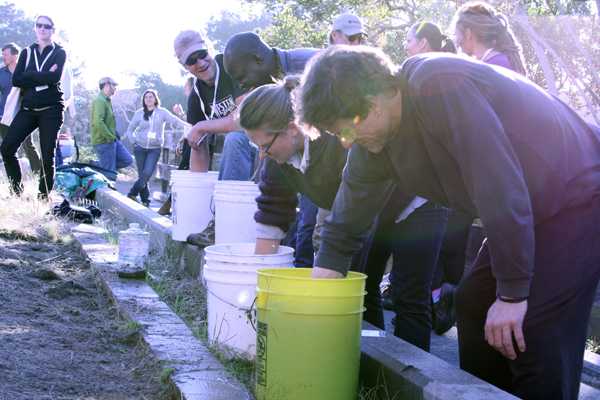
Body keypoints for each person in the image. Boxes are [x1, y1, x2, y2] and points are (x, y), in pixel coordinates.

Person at [299, 45, 600, 400]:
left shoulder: (438, 85)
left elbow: (497, 183)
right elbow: (344, 224)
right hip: (531, 207)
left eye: (343, 132)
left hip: (580, 193)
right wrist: (312, 308)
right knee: (473, 304)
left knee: (534, 325)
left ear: (372, 105)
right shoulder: (373, 145)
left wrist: (513, 293)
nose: (346, 144)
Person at [240, 75, 448, 351]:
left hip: (415, 201)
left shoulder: (337, 140)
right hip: (363, 212)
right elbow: (271, 215)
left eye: (264, 146)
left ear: (291, 129)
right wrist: (259, 290)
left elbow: (350, 218)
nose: (262, 155)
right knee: (362, 288)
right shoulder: (278, 161)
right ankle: (367, 363)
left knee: (408, 295)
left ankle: (409, 375)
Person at [224, 31, 319, 266]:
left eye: (241, 75)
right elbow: (273, 203)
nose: (240, 84)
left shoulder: (313, 68)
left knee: (313, 225)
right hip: (303, 156)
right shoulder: (279, 148)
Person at [173, 30, 258, 245]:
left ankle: (222, 220)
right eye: (192, 61)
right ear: (185, 67)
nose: (200, 63)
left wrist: (202, 126)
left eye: (202, 54)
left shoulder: (231, 66)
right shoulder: (197, 96)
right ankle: (215, 222)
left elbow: (242, 120)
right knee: (201, 141)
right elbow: (197, 142)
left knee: (235, 138)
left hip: (271, 146)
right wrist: (195, 195)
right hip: (245, 157)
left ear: (209, 49)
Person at [0, 16, 66, 198]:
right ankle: (16, 191)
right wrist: (41, 74)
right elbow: (17, 79)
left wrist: (29, 75)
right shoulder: (27, 52)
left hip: (51, 109)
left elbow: (54, 78)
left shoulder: (59, 52)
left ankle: (43, 196)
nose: (43, 29)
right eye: (39, 25)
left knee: (47, 155)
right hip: (28, 109)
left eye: (47, 26)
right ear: (35, 29)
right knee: (7, 148)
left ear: (53, 29)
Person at [125, 89, 189, 206]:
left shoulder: (162, 112)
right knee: (143, 175)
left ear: (155, 99)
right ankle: (145, 200)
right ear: (144, 100)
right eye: (146, 97)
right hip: (139, 147)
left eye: (151, 97)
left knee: (147, 173)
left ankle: (132, 193)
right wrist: (133, 141)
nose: (148, 99)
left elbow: (175, 121)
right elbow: (130, 130)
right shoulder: (139, 113)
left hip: (154, 149)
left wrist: (189, 126)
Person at [0, 42, 42, 174]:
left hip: (23, 115)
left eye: (6, 54)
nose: (3, 57)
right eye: (3, 55)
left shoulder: (25, 72)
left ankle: (40, 174)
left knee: (27, 145)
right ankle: (15, 180)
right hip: (3, 115)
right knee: (8, 148)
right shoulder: (1, 73)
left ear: (15, 55)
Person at [452, 1, 526, 75]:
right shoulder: (500, 61)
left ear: (468, 34)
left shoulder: (492, 67)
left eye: (456, 34)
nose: (455, 41)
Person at [90, 76, 133, 172]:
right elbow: (98, 122)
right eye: (113, 85)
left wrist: (114, 134)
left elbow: (107, 122)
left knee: (127, 160)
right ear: (106, 85)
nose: (115, 87)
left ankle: (99, 165)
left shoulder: (107, 101)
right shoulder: (99, 101)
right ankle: (104, 168)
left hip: (112, 140)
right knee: (109, 173)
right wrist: (110, 137)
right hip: (104, 142)